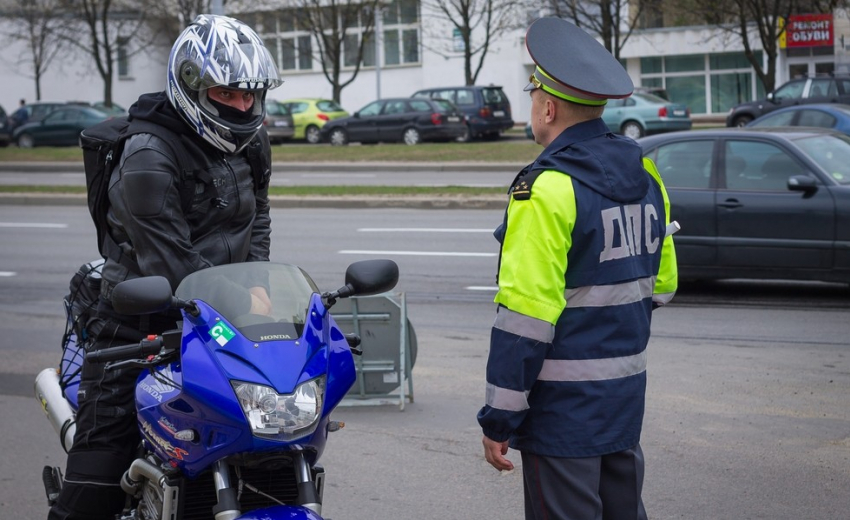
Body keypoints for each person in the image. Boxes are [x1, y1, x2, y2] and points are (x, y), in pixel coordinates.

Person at [48, 14, 281, 520]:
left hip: (222, 313)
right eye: (228, 95)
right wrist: (243, 300)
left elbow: (257, 218)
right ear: (192, 87)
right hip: (139, 318)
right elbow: (170, 261)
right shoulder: (147, 155)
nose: (243, 106)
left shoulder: (251, 142)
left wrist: (258, 285)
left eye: (250, 95)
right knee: (94, 486)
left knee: (271, 448)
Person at [477, 17, 678, 520]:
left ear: (547, 106)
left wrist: (499, 418)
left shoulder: (544, 188)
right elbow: (665, 283)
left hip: (562, 417)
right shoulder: (644, 169)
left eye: (532, 99)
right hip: (624, 400)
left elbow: (525, 317)